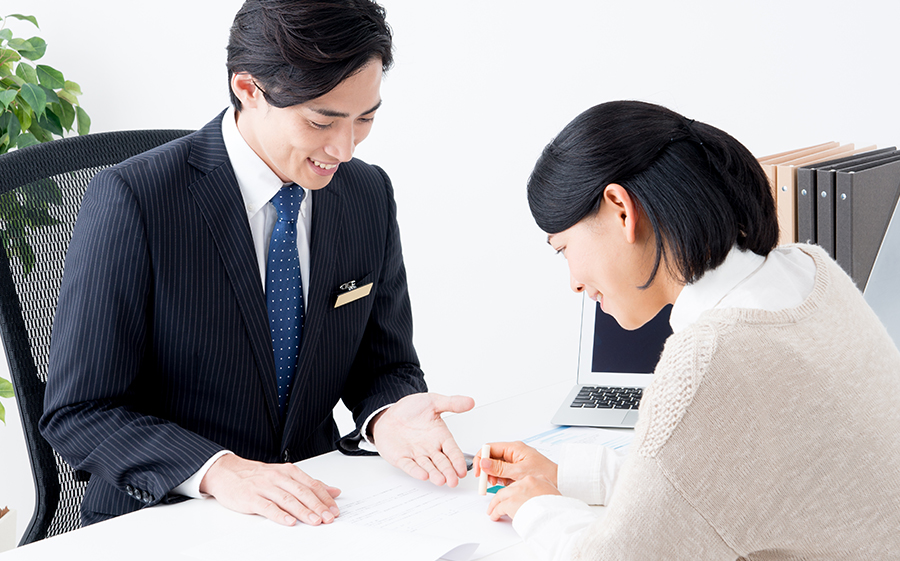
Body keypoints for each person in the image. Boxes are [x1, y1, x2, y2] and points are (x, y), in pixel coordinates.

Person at [41, 0, 473, 529]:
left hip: (315, 507)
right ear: (248, 89)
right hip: (168, 519)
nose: (344, 149)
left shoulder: (367, 193)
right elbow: (80, 411)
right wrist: (221, 471)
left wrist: (388, 415)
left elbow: (384, 365)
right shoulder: (135, 198)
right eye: (321, 121)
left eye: (365, 118)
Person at [476, 100, 900, 559]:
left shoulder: (711, 360)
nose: (574, 283)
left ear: (621, 209)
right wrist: (564, 476)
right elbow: (715, 485)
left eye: (563, 249)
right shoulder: (812, 271)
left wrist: (537, 508)